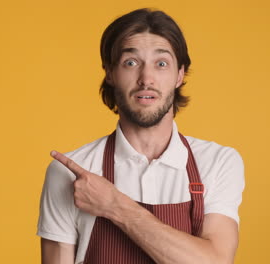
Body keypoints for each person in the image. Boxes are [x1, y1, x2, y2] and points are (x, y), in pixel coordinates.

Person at [37, 8, 245, 264]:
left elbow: (216, 260)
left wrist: (114, 205)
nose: (146, 79)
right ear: (110, 73)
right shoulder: (71, 173)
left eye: (161, 64)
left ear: (179, 74)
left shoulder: (218, 162)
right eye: (131, 63)